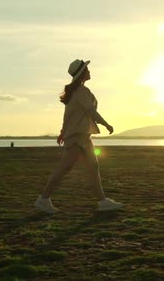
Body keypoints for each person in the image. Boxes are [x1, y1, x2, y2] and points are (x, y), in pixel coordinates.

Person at [34, 59, 124, 214]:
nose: (89, 71)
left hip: (83, 135)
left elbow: (69, 115)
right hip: (76, 135)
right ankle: (43, 200)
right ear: (82, 73)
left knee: (93, 166)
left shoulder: (79, 90)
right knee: (65, 167)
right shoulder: (81, 91)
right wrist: (106, 124)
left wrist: (62, 131)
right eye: (87, 69)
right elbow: (91, 112)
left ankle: (102, 202)